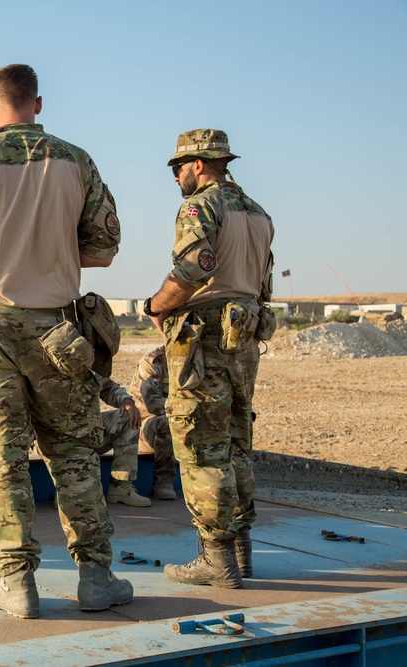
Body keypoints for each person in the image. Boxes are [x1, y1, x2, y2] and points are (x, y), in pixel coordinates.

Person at [0, 64, 131, 618]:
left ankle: (17, 584)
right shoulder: (76, 160)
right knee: (76, 456)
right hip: (57, 329)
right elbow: (104, 248)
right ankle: (96, 579)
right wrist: (51, 249)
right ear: (38, 103)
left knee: (4, 460)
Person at [143, 129, 275, 588]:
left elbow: (192, 270)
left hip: (205, 338)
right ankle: (241, 550)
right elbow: (263, 282)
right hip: (244, 337)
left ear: (199, 164)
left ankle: (216, 558)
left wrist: (155, 306)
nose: (175, 176)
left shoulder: (201, 206)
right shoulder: (257, 212)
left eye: (178, 167)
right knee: (237, 442)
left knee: (202, 446)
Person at [96, 375, 150, 507]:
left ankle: (120, 484)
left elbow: (108, 388)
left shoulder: (81, 365)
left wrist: (127, 401)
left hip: (86, 432)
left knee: (127, 416)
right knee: (80, 505)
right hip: (55, 440)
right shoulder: (41, 367)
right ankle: (66, 490)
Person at [134, 346, 177, 501]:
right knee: (166, 424)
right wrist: (185, 410)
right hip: (147, 424)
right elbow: (153, 403)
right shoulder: (153, 362)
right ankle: (163, 482)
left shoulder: (197, 361)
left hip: (184, 419)